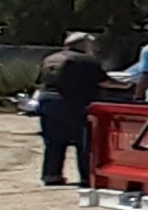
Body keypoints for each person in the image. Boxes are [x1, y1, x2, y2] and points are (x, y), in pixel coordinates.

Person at [35, 32, 112, 187]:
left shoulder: (50, 58)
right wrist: (127, 84)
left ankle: (51, 175)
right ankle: (86, 177)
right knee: (83, 141)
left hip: (47, 101)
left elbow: (39, 81)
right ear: (84, 44)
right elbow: (104, 82)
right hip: (73, 103)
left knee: (54, 141)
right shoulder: (86, 60)